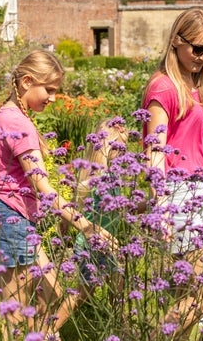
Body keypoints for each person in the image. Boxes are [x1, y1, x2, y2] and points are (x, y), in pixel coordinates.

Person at [0, 50, 116, 340]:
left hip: (14, 219)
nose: (53, 97)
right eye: (49, 89)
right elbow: (45, 190)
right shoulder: (18, 124)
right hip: (9, 219)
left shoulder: (7, 114)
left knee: (51, 294)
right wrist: (87, 226)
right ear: (27, 81)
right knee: (14, 313)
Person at [141, 7, 203, 339]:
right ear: (176, 40)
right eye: (198, 49)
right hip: (178, 195)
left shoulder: (195, 85)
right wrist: (160, 206)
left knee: (183, 291)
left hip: (201, 190)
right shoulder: (164, 88)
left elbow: (202, 146)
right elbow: (154, 152)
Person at [51, 117, 129, 332]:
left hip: (108, 242)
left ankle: (120, 329)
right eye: (117, 150)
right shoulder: (97, 179)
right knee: (84, 292)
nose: (121, 155)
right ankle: (50, 329)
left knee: (118, 288)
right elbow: (74, 206)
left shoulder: (112, 177)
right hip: (90, 245)